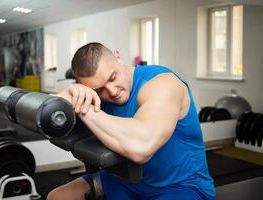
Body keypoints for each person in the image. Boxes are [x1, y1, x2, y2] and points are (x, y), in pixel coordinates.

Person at [47, 42, 215, 200]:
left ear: (118, 57)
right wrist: (69, 93)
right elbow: (49, 112)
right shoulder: (92, 93)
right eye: (99, 89)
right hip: (125, 179)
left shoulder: (163, 83)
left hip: (181, 185)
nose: (112, 92)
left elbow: (141, 147)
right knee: (57, 197)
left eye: (112, 77)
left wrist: (82, 108)